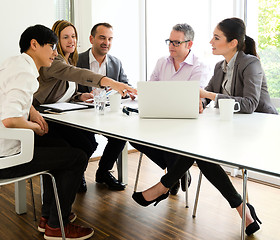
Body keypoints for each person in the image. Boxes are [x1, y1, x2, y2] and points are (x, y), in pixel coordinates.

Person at [133, 18, 277, 236]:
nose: (210, 41)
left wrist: (207, 96)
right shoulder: (221, 66)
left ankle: (164, 186)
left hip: (259, 130)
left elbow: (249, 104)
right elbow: (207, 97)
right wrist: (200, 103)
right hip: (232, 129)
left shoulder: (251, 64)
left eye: (216, 37)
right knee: (199, 151)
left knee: (199, 151)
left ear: (233, 43)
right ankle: (242, 209)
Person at [0, 24, 94, 240]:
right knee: (77, 157)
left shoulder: (13, 63)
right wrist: (35, 127)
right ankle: (57, 226)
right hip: (4, 159)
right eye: (52, 46)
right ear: (34, 44)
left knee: (62, 148)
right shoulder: (27, 73)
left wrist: (32, 111)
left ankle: (49, 217)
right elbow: (10, 119)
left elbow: (12, 97)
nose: (55, 53)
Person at [32, 20, 136, 192]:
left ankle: (94, 173)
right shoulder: (54, 60)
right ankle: (73, 177)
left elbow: (64, 91)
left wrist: (80, 96)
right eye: (65, 37)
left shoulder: (69, 59)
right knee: (86, 143)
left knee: (103, 139)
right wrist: (109, 82)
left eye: (73, 36)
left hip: (70, 113)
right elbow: (77, 74)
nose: (71, 40)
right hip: (45, 116)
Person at [130, 23, 212, 195]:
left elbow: (194, 98)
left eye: (176, 42)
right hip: (160, 118)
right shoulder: (162, 62)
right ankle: (177, 171)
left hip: (185, 123)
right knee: (133, 137)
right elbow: (151, 89)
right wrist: (140, 94)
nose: (171, 46)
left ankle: (173, 175)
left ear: (189, 44)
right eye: (169, 41)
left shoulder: (199, 66)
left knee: (171, 141)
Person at [76, 23, 130, 191]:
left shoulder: (116, 63)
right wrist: (81, 97)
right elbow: (69, 89)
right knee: (86, 141)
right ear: (91, 39)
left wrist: (126, 92)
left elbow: (125, 85)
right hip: (81, 114)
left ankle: (103, 172)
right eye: (102, 38)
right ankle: (78, 175)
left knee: (120, 136)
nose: (106, 42)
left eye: (110, 38)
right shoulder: (77, 60)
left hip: (107, 114)